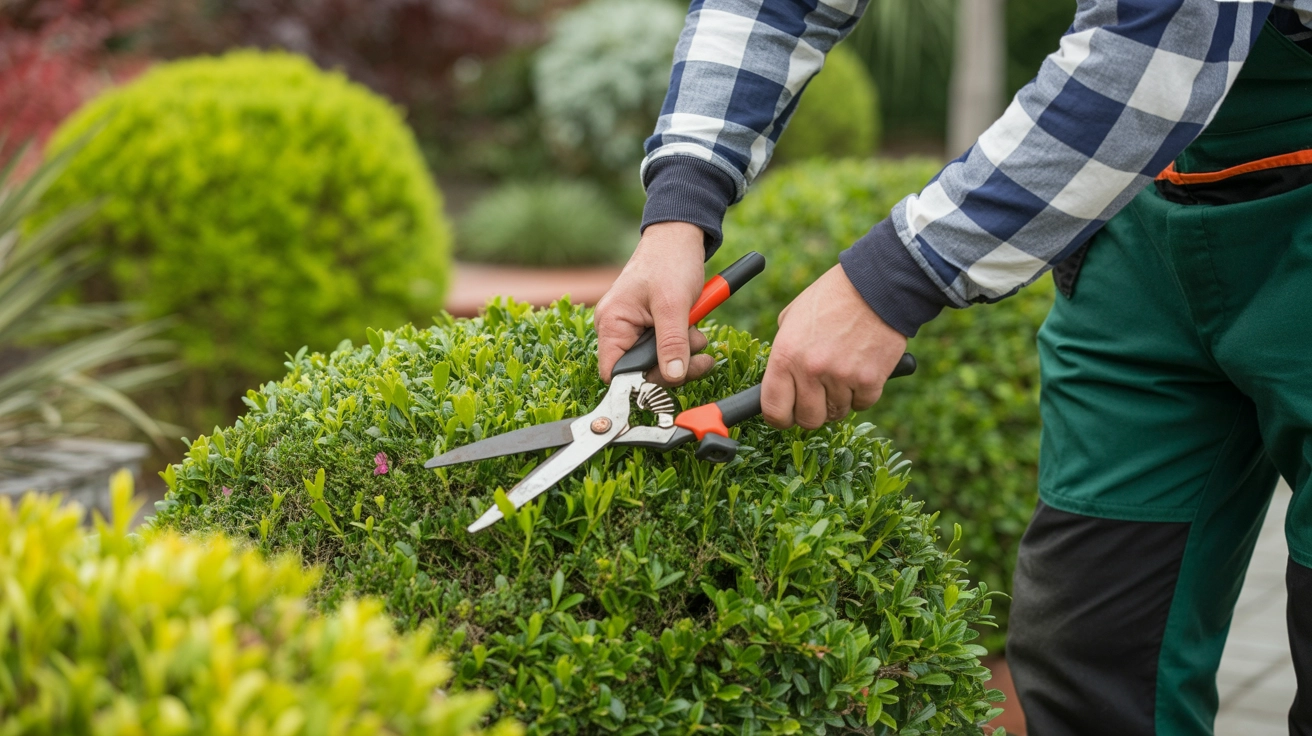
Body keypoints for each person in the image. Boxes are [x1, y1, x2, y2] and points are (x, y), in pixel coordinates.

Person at [593, 1, 1312, 733]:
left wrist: (890, 282)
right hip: (1139, 205)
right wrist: (679, 207)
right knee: (1087, 661)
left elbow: (1162, 42)